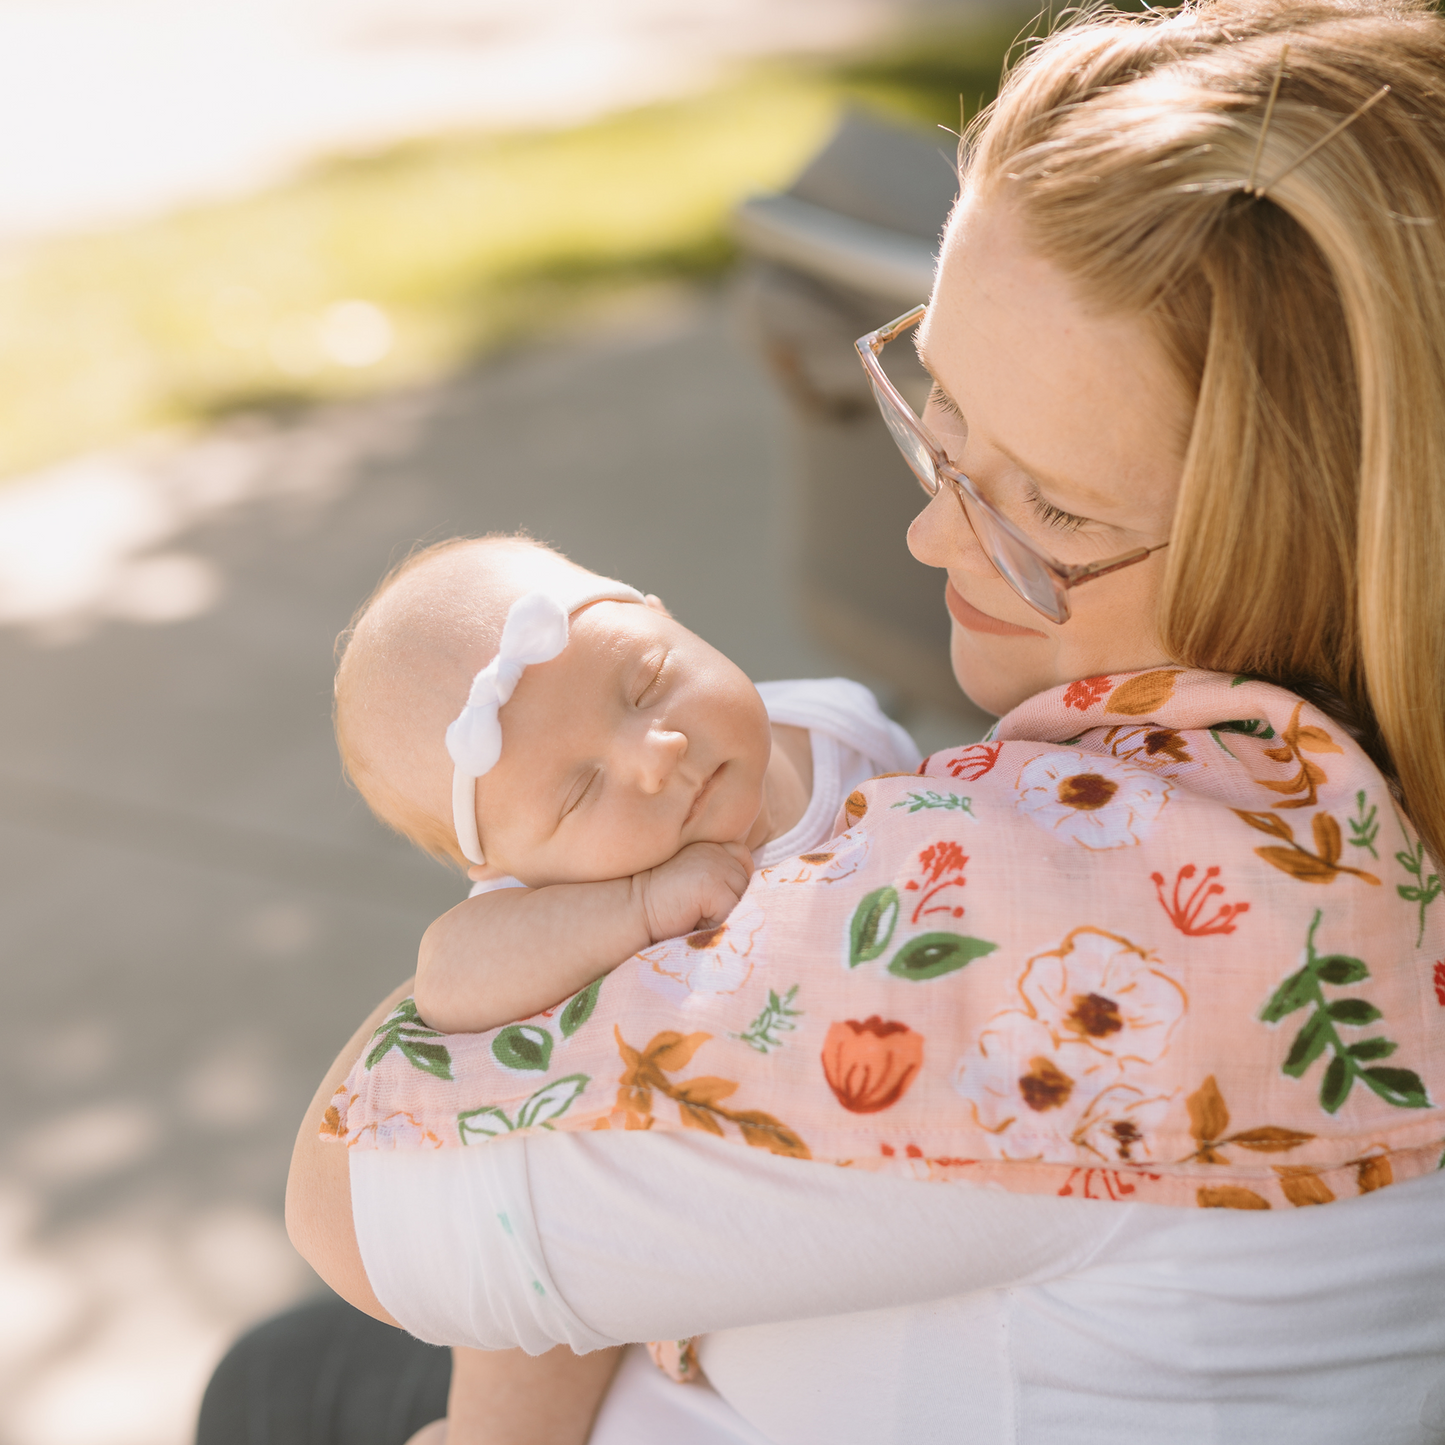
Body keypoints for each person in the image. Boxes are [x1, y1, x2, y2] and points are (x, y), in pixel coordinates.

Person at [239, 0, 1445, 1440]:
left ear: (1351, 540)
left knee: (284, 1381)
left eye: (1050, 509)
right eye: (939, 427)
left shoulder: (1076, 930)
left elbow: (357, 1187)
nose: (935, 539)